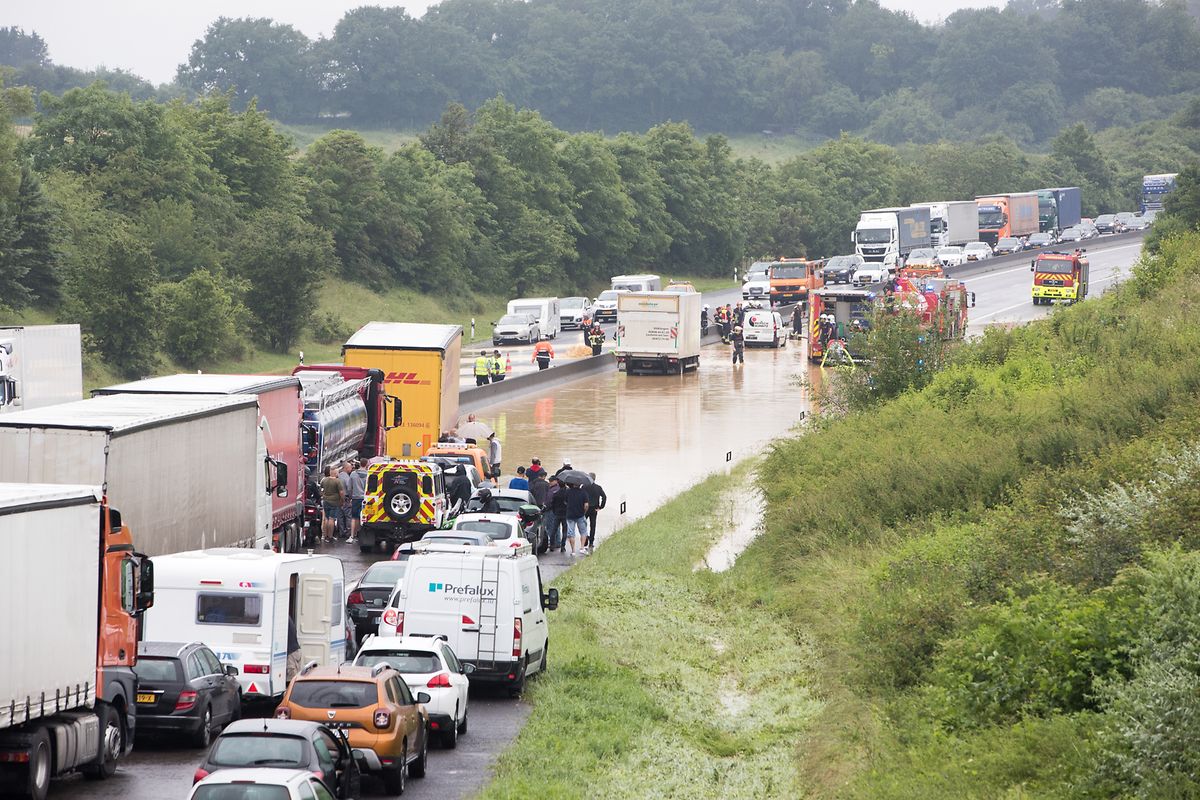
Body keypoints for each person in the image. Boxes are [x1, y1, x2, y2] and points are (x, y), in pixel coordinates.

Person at [563, 482, 590, 557]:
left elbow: (565, 502)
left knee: (571, 533)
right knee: (583, 531)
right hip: (580, 515)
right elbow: (586, 505)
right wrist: (584, 512)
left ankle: (573, 551)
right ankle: (582, 548)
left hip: (570, 515)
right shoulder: (584, 492)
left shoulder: (568, 491)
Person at [319, 465, 343, 543]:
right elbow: (341, 492)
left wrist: (323, 496)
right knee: (332, 519)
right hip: (334, 501)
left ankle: (324, 535)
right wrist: (342, 500)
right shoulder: (337, 481)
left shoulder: (324, 480)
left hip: (325, 500)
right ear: (335, 473)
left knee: (326, 518)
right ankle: (330, 536)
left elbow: (321, 490)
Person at [584, 472, 606, 552]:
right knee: (593, 525)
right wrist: (600, 507)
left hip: (585, 509)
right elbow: (604, 497)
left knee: (583, 524)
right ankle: (591, 542)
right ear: (594, 478)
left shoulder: (584, 486)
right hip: (594, 509)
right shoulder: (598, 487)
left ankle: (585, 537)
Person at [545, 475, 568, 552]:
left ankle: (552, 545)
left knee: (554, 529)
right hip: (565, 514)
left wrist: (554, 511)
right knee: (564, 530)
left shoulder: (556, 493)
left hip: (557, 513)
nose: (550, 482)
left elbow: (552, 503)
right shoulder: (567, 493)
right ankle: (562, 546)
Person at [348, 459, 367, 544]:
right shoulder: (369, 474)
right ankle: (361, 535)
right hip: (366, 499)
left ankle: (352, 536)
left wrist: (350, 496)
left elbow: (349, 488)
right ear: (366, 464)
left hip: (355, 498)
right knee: (362, 518)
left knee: (354, 517)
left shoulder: (353, 474)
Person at [338, 461, 355, 540]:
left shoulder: (339, 476)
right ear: (346, 468)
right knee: (348, 516)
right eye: (350, 467)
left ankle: (341, 532)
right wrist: (351, 498)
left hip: (338, 499)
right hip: (346, 499)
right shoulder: (347, 478)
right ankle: (348, 533)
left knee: (340, 516)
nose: (351, 469)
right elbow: (349, 488)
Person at [286, 617, 302, 683]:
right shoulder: (289, 619)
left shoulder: (285, 619)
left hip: (291, 652)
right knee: (296, 676)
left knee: (292, 678)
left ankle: (293, 692)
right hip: (296, 650)